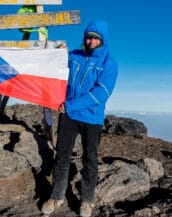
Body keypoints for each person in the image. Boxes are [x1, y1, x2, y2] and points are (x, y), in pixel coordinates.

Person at [41, 20, 118, 217]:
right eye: (88, 37)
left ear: (103, 41)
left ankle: (87, 200)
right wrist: (59, 52)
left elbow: (102, 93)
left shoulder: (109, 63)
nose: (91, 41)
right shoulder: (74, 55)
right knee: (62, 156)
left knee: (89, 158)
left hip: (91, 118)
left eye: (95, 38)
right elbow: (55, 69)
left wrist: (71, 105)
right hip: (69, 116)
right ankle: (57, 196)